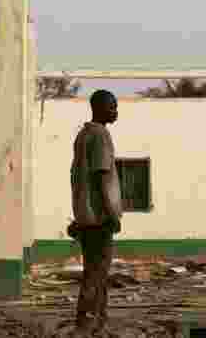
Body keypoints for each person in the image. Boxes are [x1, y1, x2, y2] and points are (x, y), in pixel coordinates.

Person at [68, 89, 122, 335]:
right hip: (99, 218)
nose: (116, 111)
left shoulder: (83, 135)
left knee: (96, 272)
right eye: (112, 107)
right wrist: (111, 213)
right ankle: (85, 324)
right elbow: (101, 177)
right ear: (99, 108)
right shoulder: (100, 135)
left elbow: (78, 178)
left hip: (85, 217)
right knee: (96, 273)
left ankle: (98, 323)